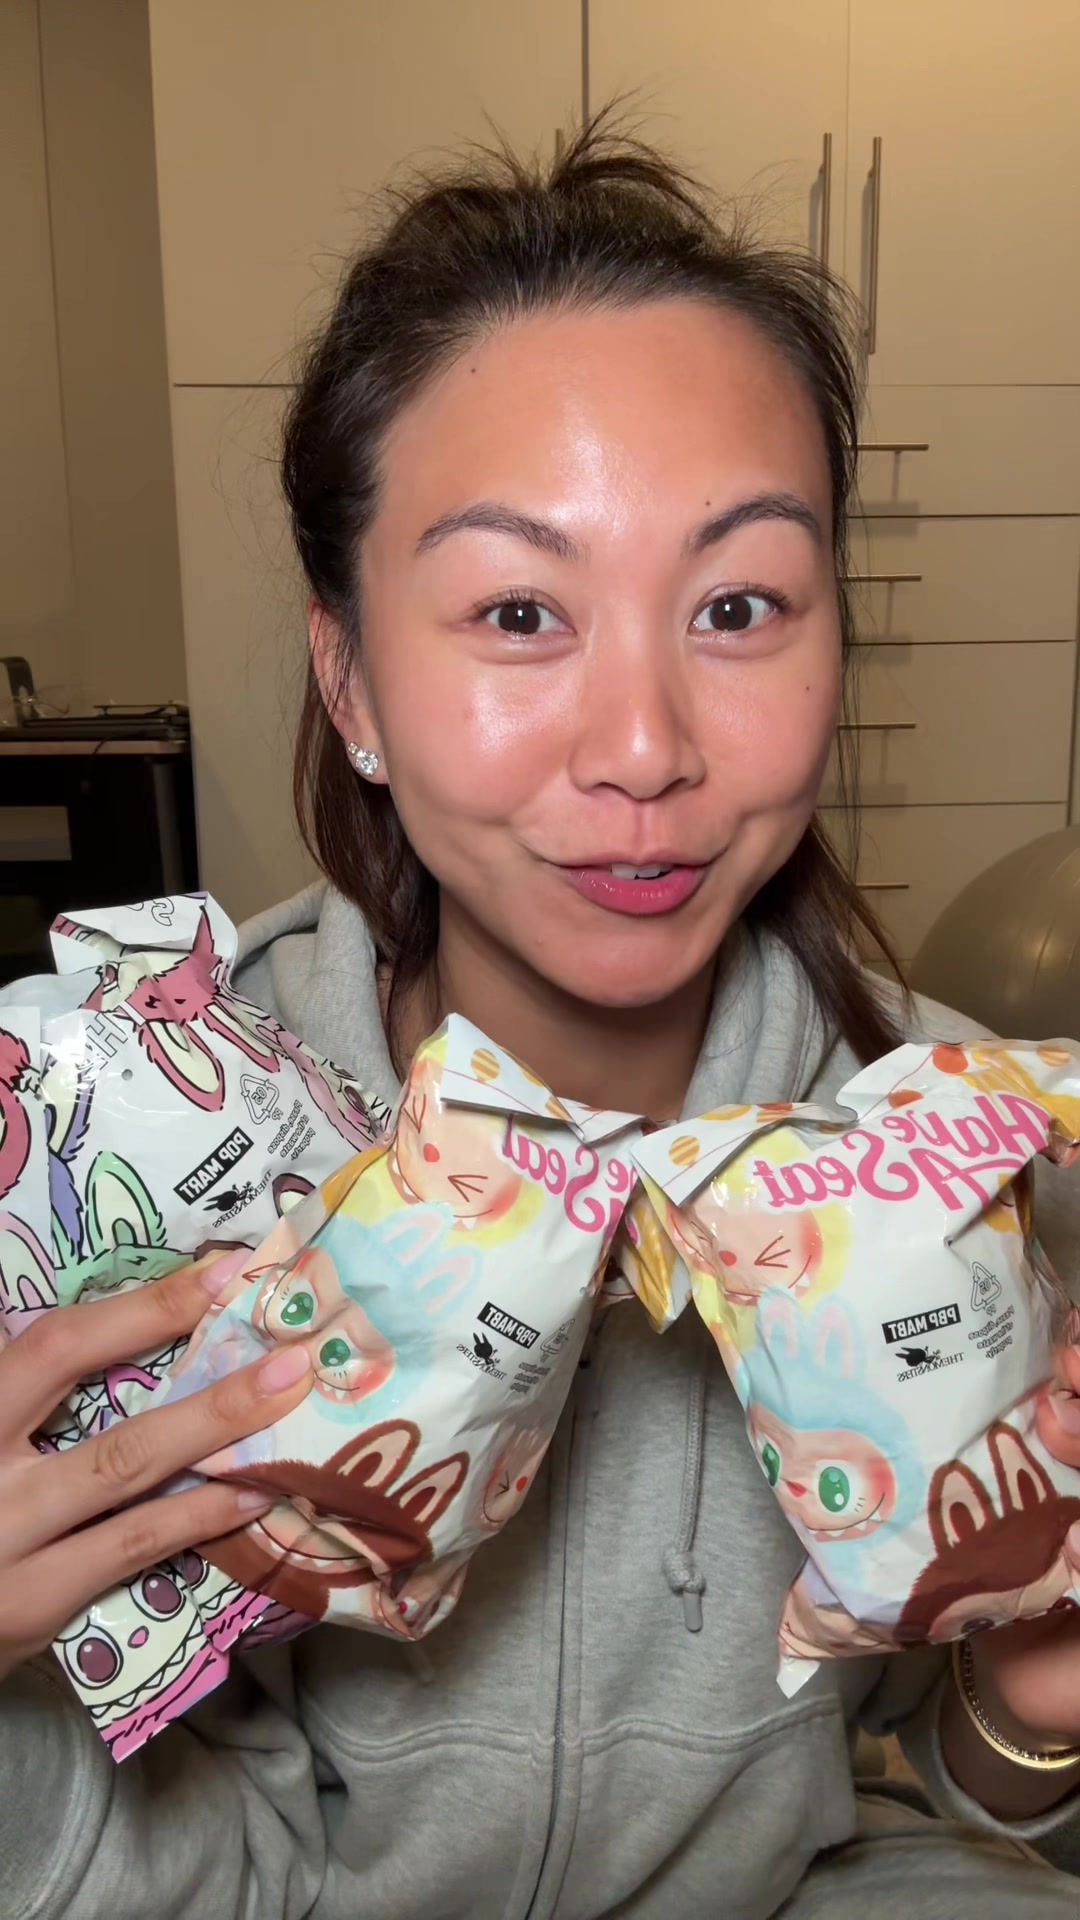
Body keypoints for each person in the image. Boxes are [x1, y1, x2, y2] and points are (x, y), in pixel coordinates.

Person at [4, 120, 1080, 1920]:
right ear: (351, 676)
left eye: (738, 605)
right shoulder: (147, 1154)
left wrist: (1031, 1706)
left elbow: (923, 1773)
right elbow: (150, 1854)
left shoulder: (947, 1144)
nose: (645, 749)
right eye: (519, 611)